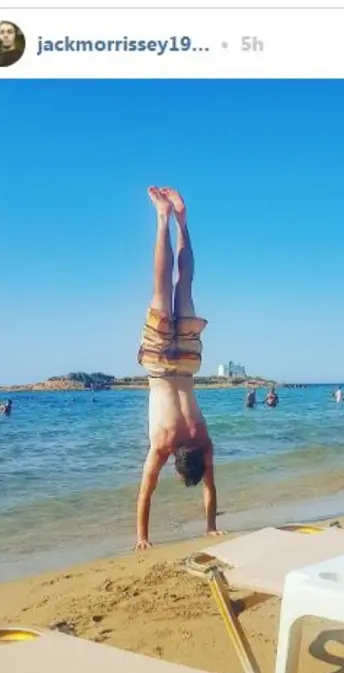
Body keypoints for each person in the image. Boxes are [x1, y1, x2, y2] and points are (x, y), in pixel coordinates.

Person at [134, 186, 221, 551]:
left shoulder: (204, 442)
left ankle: (181, 221)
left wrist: (211, 525)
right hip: (158, 366)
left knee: (183, 285)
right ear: (175, 463)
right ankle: (161, 218)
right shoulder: (163, 445)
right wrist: (142, 537)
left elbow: (211, 489)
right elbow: (145, 495)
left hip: (187, 363)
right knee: (159, 288)